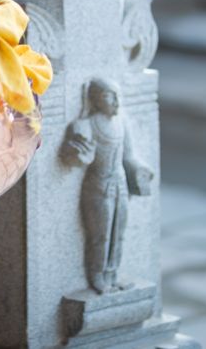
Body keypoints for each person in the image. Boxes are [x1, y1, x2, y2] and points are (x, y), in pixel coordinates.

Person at [62, 78, 153, 294]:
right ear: (95, 100)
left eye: (115, 96)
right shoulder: (85, 125)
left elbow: (128, 157)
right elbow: (77, 158)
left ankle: (113, 274)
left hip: (119, 182)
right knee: (100, 235)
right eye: (107, 97)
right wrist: (77, 152)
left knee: (118, 233)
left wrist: (142, 171)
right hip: (98, 184)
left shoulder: (122, 123)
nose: (114, 102)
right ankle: (97, 277)